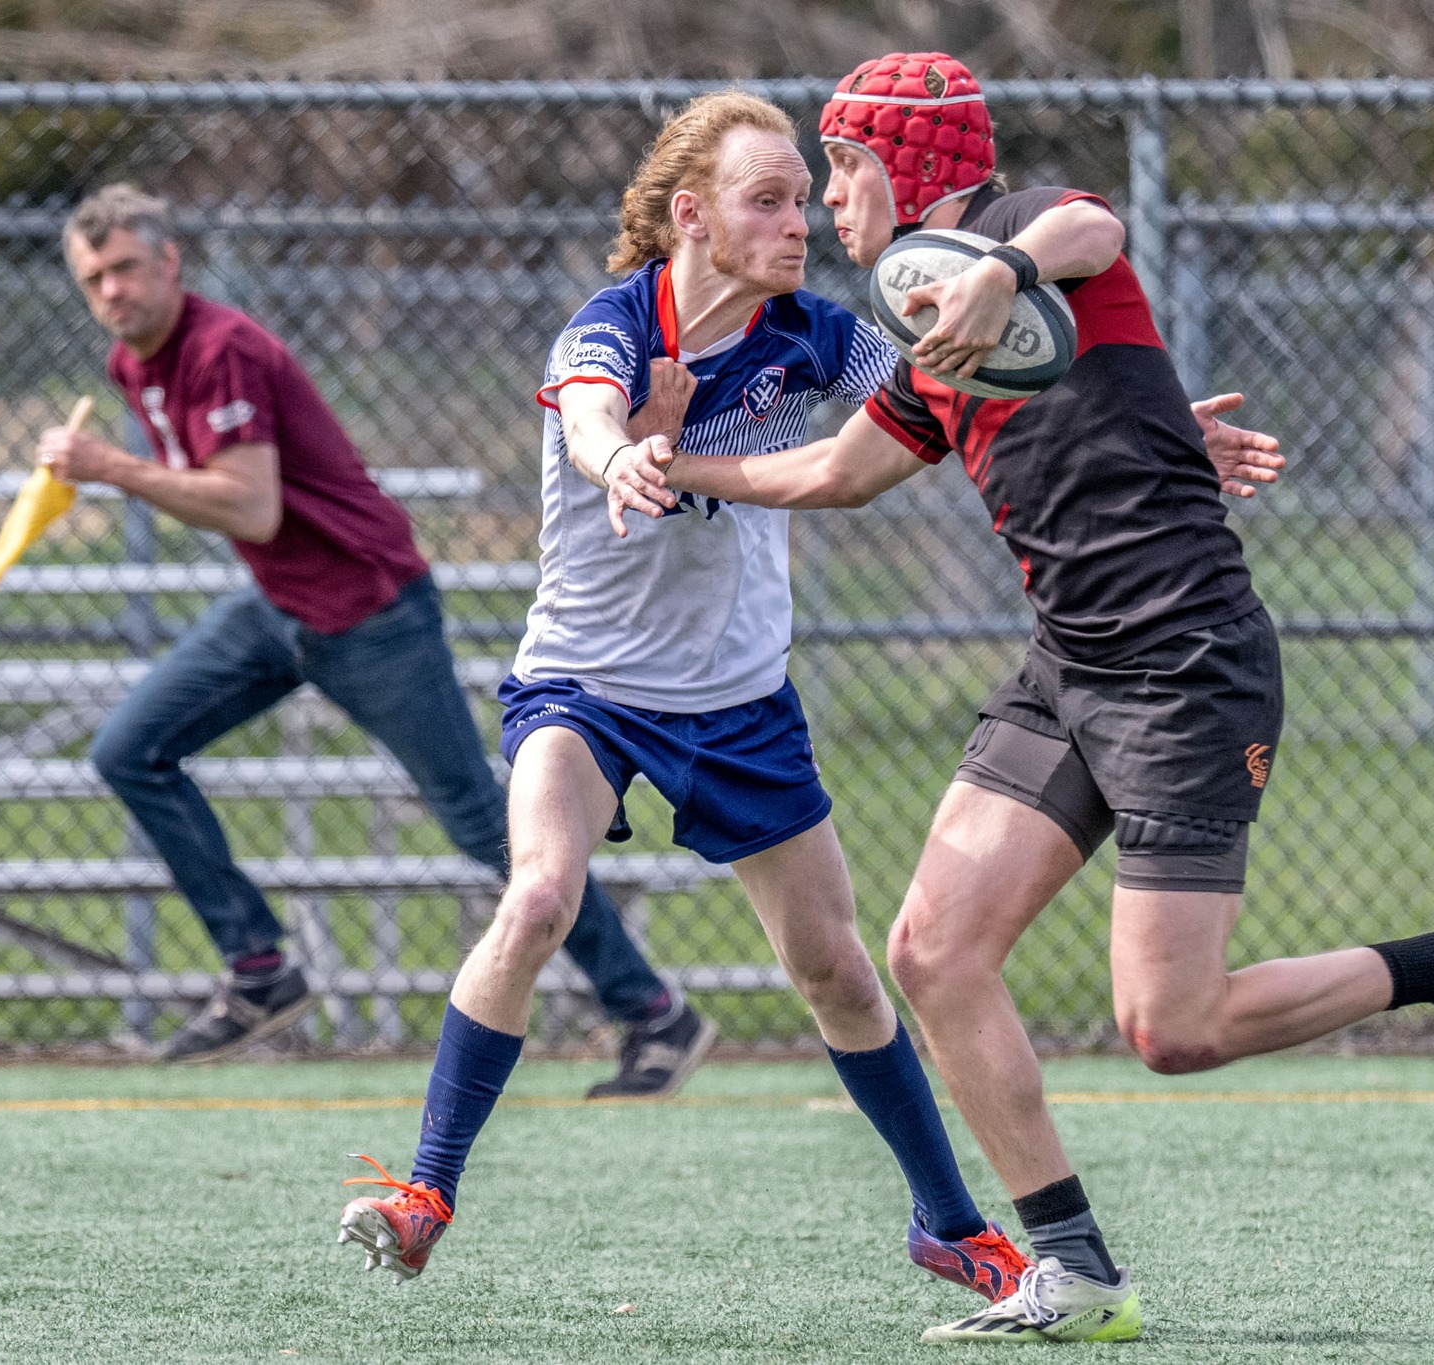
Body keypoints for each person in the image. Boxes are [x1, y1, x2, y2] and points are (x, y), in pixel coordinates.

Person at [606, 52, 1434, 1345]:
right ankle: (1074, 1269)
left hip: (1184, 667)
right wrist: (690, 466)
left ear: (913, 162)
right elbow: (840, 470)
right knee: (932, 953)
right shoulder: (929, 324)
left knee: (1173, 1026)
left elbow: (1089, 228)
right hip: (1070, 662)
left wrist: (1002, 267)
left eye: (847, 164)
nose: (833, 197)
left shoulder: (1020, 242)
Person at [335, 91, 1041, 1304]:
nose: (799, 222)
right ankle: (426, 1189)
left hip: (736, 701)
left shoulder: (815, 337)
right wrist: (625, 456)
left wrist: (1141, 424)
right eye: (767, 200)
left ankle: (945, 1221)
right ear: (690, 217)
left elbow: (964, 400)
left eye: (800, 199)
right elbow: (595, 420)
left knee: (834, 969)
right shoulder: (607, 327)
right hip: (585, 687)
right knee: (541, 893)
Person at [43, 184, 707, 1098]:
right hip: (279, 604)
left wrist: (110, 469)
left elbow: (249, 501)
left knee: (483, 818)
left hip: (369, 609)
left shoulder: (223, 348)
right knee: (129, 750)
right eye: (93, 279)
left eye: (124, 268)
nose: (111, 291)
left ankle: (652, 1011)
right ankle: (259, 969)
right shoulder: (132, 363)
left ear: (169, 262)